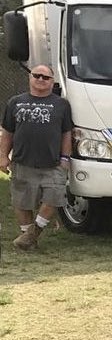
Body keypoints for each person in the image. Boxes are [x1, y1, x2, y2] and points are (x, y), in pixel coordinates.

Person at [0, 64, 74, 252]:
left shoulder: (62, 104)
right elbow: (7, 132)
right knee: (22, 201)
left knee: (55, 197)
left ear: (52, 81)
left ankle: (32, 233)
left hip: (53, 163)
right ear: (30, 78)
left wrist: (65, 158)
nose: (41, 79)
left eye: (46, 77)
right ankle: (28, 239)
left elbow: (67, 133)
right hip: (22, 161)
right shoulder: (15, 102)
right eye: (37, 75)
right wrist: (2, 156)